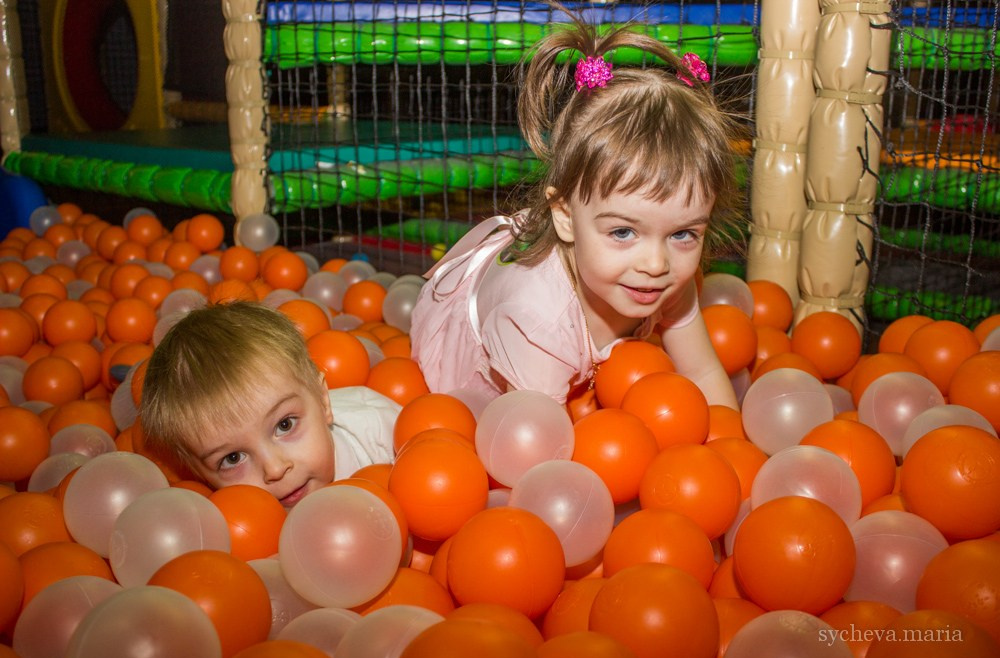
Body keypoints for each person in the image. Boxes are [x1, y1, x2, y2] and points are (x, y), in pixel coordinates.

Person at [410, 10, 745, 409]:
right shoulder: (535, 321)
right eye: (623, 232)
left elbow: (702, 375)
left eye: (682, 234)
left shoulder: (661, 275)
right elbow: (539, 453)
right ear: (565, 216)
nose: (656, 263)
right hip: (479, 365)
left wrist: (730, 449)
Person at [139, 300, 401, 507]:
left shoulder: (384, 436)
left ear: (323, 402)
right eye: (232, 458)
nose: (274, 469)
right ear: (199, 474)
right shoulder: (230, 527)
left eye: (284, 425)